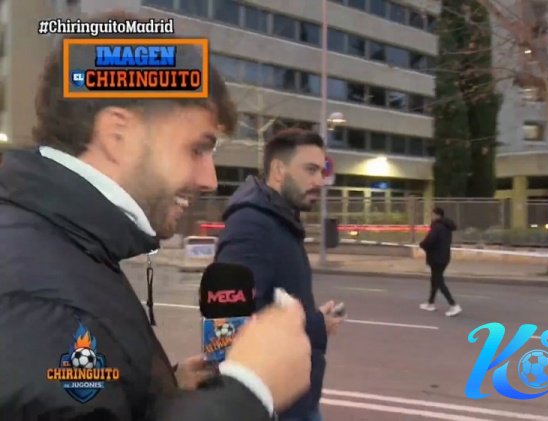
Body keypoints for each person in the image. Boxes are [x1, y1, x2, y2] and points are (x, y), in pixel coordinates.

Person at [0, 11, 311, 421]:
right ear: (118, 134)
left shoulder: (60, 247)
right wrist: (249, 394)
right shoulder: (45, 302)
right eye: (197, 148)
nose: (209, 179)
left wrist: (158, 393)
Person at [213, 128, 345, 421]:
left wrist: (313, 317)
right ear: (278, 170)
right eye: (310, 170)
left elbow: (276, 300)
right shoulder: (251, 226)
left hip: (294, 397)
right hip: (275, 404)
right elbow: (230, 321)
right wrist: (317, 325)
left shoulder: (280, 220)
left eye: (321, 171)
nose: (319, 181)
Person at [419, 207, 462, 317]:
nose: (431, 217)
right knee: (435, 279)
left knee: (438, 281)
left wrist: (422, 244)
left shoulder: (437, 226)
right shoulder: (447, 226)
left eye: (432, 215)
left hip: (436, 258)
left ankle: (453, 305)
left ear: (437, 215)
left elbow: (430, 241)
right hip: (444, 257)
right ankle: (430, 303)